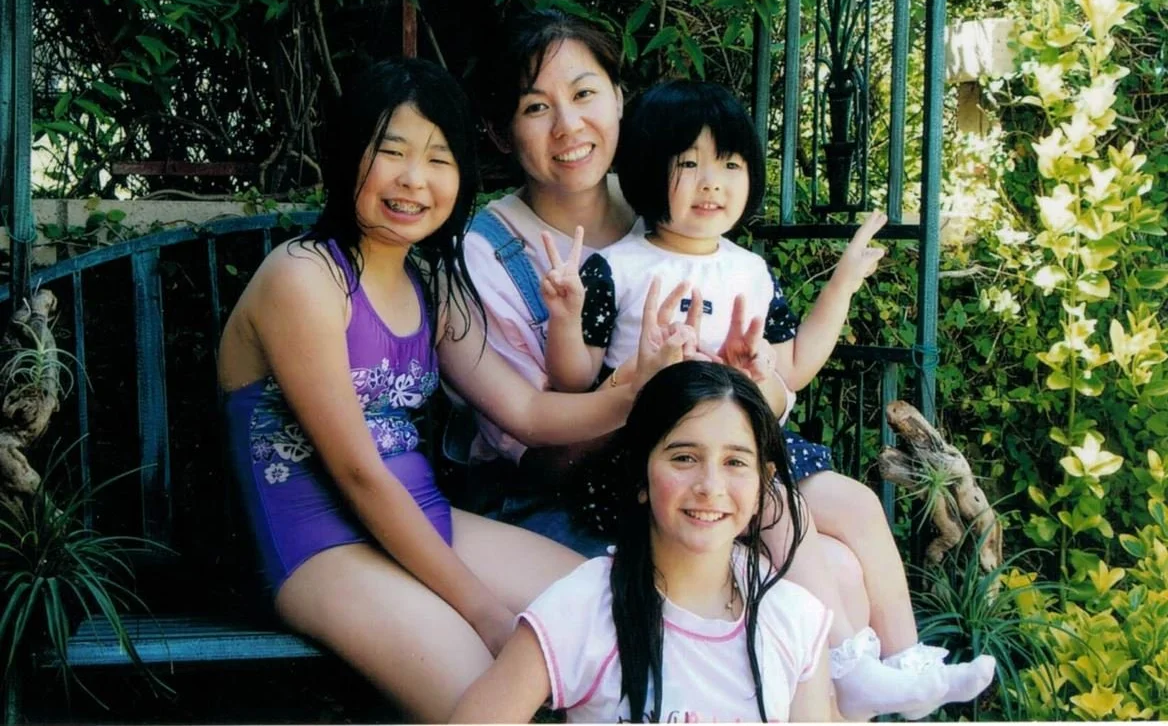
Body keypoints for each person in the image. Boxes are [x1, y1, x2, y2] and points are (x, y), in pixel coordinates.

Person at [219, 58, 685, 722]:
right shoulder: (303, 277)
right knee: (494, 703)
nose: (414, 179)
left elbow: (523, 410)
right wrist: (484, 611)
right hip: (320, 545)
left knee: (621, 607)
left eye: (439, 158)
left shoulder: (429, 285)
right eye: (392, 152)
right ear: (349, 154)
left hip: (424, 523)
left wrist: (633, 390)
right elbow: (356, 472)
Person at [538, 78, 997, 720]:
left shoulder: (749, 271)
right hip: (668, 464)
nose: (712, 183)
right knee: (789, 522)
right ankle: (847, 663)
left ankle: (907, 664)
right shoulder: (618, 268)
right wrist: (566, 316)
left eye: (729, 164)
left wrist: (838, 286)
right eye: (689, 164)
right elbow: (570, 378)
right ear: (646, 170)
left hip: (757, 448)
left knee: (860, 504)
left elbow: (794, 368)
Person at [451, 361, 834, 723]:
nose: (710, 487)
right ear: (639, 476)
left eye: (735, 462)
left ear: (763, 483)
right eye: (684, 458)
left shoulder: (793, 620)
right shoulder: (581, 609)